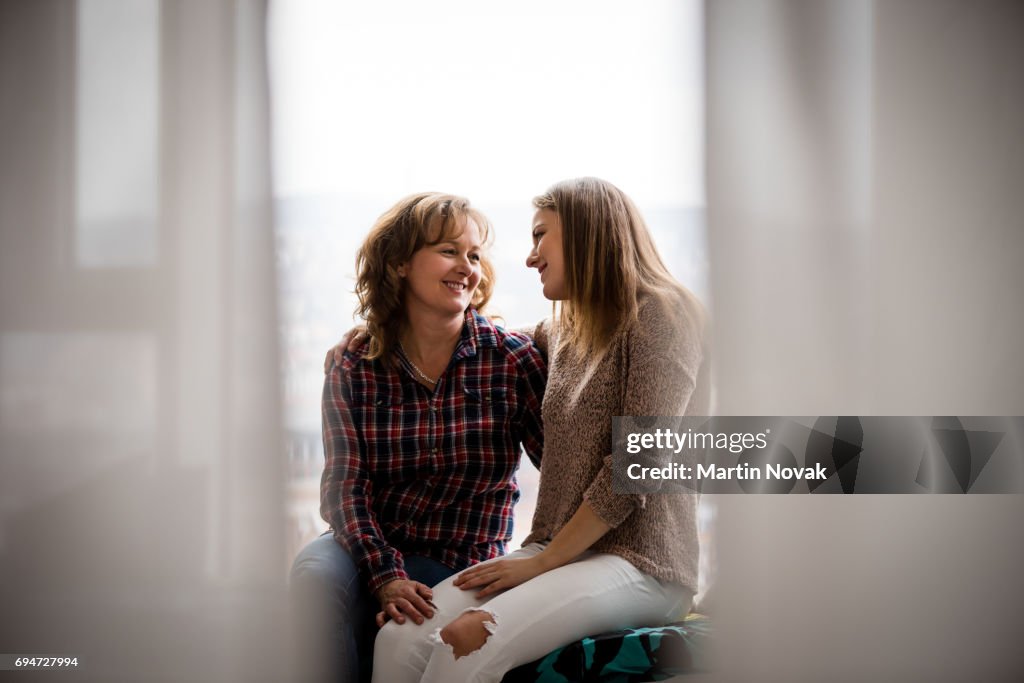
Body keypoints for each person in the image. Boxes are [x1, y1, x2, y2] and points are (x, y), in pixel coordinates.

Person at [364, 177, 711, 683]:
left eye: (540, 235)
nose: (530, 258)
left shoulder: (661, 312)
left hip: (644, 564)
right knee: (399, 637)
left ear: (586, 234)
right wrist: (385, 336)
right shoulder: (565, 328)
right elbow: (481, 342)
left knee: (466, 640)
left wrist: (544, 561)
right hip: (561, 551)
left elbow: (640, 461)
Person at [290, 192, 546, 683]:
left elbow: (561, 469)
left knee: (395, 625)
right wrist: (384, 574)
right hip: (366, 546)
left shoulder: (511, 361)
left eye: (474, 255)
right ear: (400, 263)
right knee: (313, 575)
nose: (467, 267)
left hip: (458, 561)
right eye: (449, 251)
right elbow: (345, 487)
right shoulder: (354, 363)